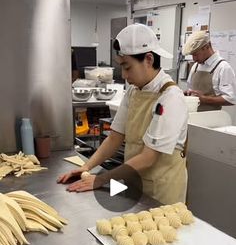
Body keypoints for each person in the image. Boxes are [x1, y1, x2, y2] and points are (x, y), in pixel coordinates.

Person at [57, 23, 189, 205]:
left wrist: (102, 179)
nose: (124, 75)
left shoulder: (171, 98)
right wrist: (86, 167)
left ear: (149, 59)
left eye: (127, 67)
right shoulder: (134, 91)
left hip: (161, 191)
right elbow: (114, 138)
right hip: (134, 183)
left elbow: (148, 157)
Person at [183, 30, 236, 111]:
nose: (194, 59)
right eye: (192, 55)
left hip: (211, 119)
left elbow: (231, 99)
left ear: (207, 47)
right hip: (192, 116)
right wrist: (188, 94)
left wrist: (204, 99)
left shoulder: (223, 67)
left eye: (196, 54)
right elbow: (190, 89)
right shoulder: (196, 66)